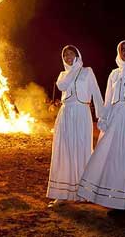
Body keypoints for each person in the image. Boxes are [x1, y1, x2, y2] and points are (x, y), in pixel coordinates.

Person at [77, 40, 125, 210]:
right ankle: (108, 197)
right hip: (114, 118)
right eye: (122, 49)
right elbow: (108, 100)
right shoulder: (114, 74)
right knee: (108, 157)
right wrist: (103, 118)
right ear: (118, 52)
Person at [47, 45, 104, 207]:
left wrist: (102, 117)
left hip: (82, 113)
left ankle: (84, 192)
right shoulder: (62, 75)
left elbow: (96, 93)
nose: (68, 57)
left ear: (78, 55)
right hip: (66, 114)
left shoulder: (87, 71)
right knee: (64, 151)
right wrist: (73, 69)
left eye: (71, 53)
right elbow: (62, 87)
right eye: (65, 55)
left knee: (83, 149)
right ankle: (61, 194)